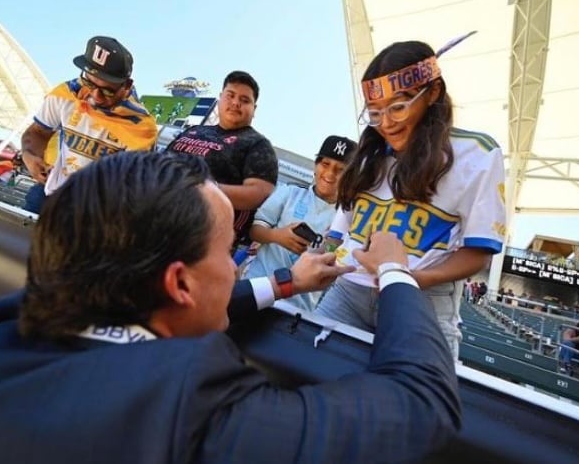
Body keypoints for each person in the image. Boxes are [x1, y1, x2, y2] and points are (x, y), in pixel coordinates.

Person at [0, 151, 460, 463]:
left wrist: (282, 284)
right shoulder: (196, 409)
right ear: (180, 282)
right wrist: (394, 270)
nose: (235, 267)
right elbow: (421, 400)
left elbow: (154, 308)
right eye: (225, 253)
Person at [314, 39, 506, 360]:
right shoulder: (367, 155)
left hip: (422, 298)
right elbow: (339, 233)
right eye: (375, 113)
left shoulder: (478, 154)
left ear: (432, 93)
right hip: (349, 289)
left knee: (417, 400)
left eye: (399, 105)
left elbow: (477, 254)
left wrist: (409, 278)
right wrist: (322, 259)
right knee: (314, 375)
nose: (386, 123)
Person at [20, 35, 157, 200]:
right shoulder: (65, 95)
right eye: (90, 84)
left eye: (107, 90)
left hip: (92, 208)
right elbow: (38, 132)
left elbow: (133, 184)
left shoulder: (140, 127)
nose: (96, 96)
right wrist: (30, 154)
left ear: (127, 86)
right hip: (49, 192)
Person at [242, 135, 358, 311]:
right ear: (315, 165)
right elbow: (255, 229)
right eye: (325, 164)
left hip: (299, 309)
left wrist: (328, 248)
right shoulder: (290, 193)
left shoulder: (348, 219)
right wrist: (277, 236)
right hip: (258, 286)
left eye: (340, 169)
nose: (330, 174)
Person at [166, 70, 278, 249]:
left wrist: (201, 189)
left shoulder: (258, 144)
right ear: (220, 98)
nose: (235, 103)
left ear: (254, 109)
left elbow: (259, 193)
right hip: (156, 219)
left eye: (244, 100)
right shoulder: (194, 130)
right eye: (230, 95)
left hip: (201, 241)